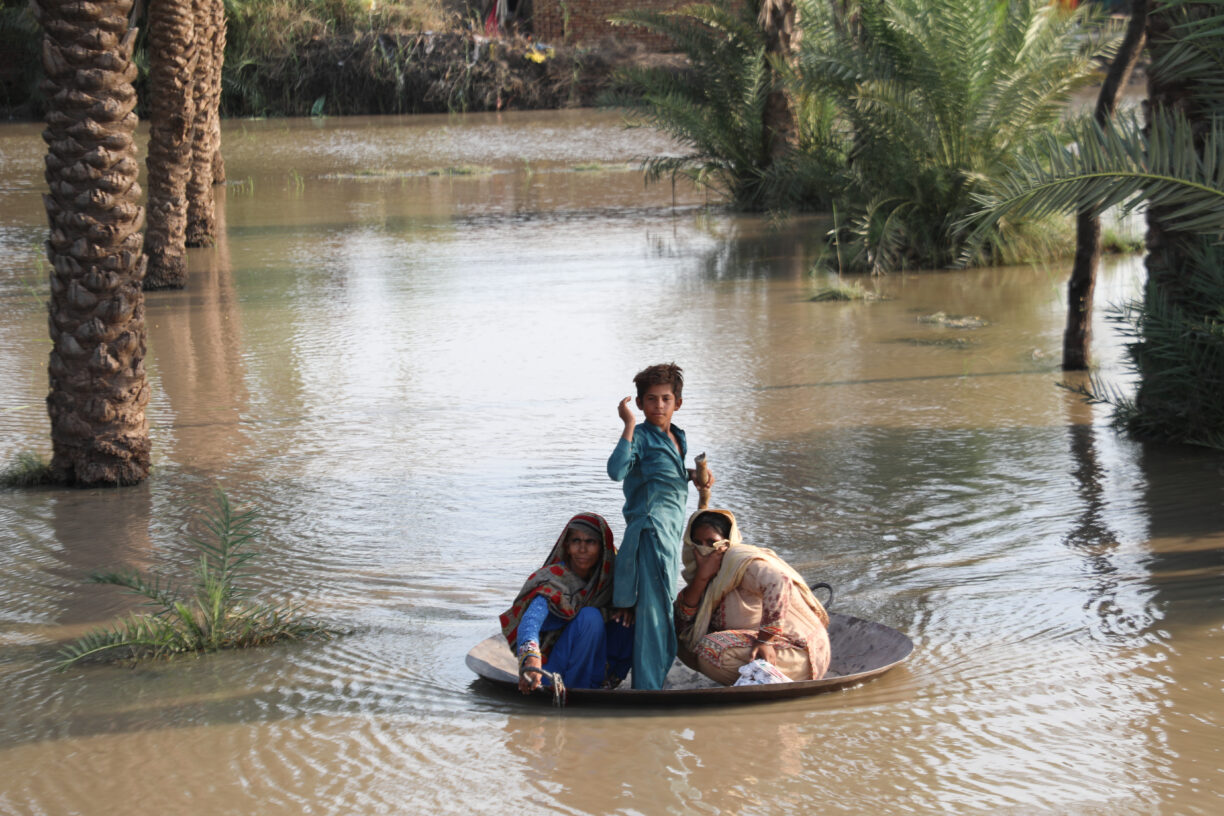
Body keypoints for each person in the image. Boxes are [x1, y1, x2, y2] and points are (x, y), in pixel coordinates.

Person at [607, 362, 712, 690]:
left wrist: (691, 477)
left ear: (677, 403)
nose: (659, 406)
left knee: (661, 609)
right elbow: (616, 470)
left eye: (666, 399)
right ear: (639, 403)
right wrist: (628, 425)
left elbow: (663, 476)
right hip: (650, 535)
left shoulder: (677, 436)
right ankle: (647, 689)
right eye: (651, 399)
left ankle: (650, 682)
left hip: (668, 537)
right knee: (654, 616)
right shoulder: (639, 436)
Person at [675, 508, 831, 685]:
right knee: (677, 633)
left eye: (712, 542)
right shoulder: (710, 573)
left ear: (727, 542)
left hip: (799, 652)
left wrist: (766, 640)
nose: (704, 549)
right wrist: (702, 576)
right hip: (758, 644)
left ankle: (765, 682)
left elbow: (779, 581)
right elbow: (683, 616)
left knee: (711, 650)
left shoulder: (739, 561)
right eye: (697, 542)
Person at [499, 513, 632, 693]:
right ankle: (578, 689)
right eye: (576, 541)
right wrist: (530, 658)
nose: (582, 549)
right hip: (553, 670)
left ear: (603, 548)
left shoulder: (610, 581)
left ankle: (607, 681)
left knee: (630, 616)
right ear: (567, 546)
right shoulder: (554, 579)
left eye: (590, 542)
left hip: (595, 665)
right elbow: (530, 621)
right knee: (589, 617)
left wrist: (628, 610)